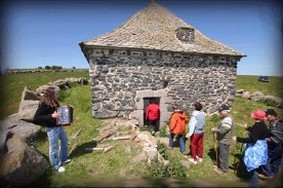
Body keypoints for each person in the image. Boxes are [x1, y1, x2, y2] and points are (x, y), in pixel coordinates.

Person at [34, 86, 71, 172]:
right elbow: (37, 117)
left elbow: (58, 111)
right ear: (51, 94)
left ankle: (64, 158)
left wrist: (67, 109)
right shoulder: (44, 104)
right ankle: (56, 165)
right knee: (54, 147)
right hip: (51, 128)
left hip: (59, 126)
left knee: (65, 141)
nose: (57, 94)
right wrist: (51, 116)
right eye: (56, 93)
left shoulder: (54, 101)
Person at [232, 109, 270, 187]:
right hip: (261, 147)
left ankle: (252, 183)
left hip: (256, 148)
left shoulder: (257, 126)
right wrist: (249, 128)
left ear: (255, 117)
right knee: (253, 164)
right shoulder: (262, 124)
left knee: (251, 165)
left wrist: (237, 139)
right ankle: (249, 178)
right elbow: (258, 133)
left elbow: (252, 139)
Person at [258, 109, 283, 180]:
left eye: (267, 115)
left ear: (272, 115)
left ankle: (268, 174)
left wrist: (264, 139)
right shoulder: (274, 122)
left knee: (264, 157)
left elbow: (277, 139)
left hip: (277, 146)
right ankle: (274, 175)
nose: (266, 116)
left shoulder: (277, 125)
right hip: (280, 147)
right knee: (276, 160)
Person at [211, 104, 234, 174]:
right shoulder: (226, 117)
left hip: (224, 140)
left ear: (225, 111)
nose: (220, 112)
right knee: (223, 155)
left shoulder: (228, 119)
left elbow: (223, 130)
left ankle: (223, 170)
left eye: (221, 111)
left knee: (223, 156)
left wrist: (216, 129)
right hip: (223, 140)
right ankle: (222, 167)